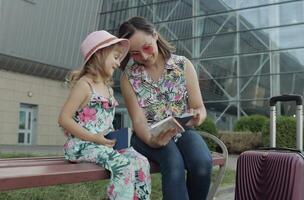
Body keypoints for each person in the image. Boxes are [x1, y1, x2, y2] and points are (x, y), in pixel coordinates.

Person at [117, 16, 212, 200]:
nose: (143, 57)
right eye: (135, 53)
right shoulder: (128, 77)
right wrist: (152, 141)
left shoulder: (182, 65)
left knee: (202, 163)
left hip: (182, 130)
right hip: (148, 134)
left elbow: (199, 107)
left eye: (146, 47)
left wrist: (198, 115)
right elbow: (138, 121)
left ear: (155, 36)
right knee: (173, 163)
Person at [58, 30, 151, 200]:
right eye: (115, 57)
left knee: (141, 161)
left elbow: (105, 122)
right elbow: (64, 118)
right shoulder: (84, 85)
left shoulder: (108, 88)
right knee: (123, 165)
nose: (118, 63)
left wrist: (115, 137)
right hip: (83, 145)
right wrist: (94, 138)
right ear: (100, 54)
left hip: (103, 144)